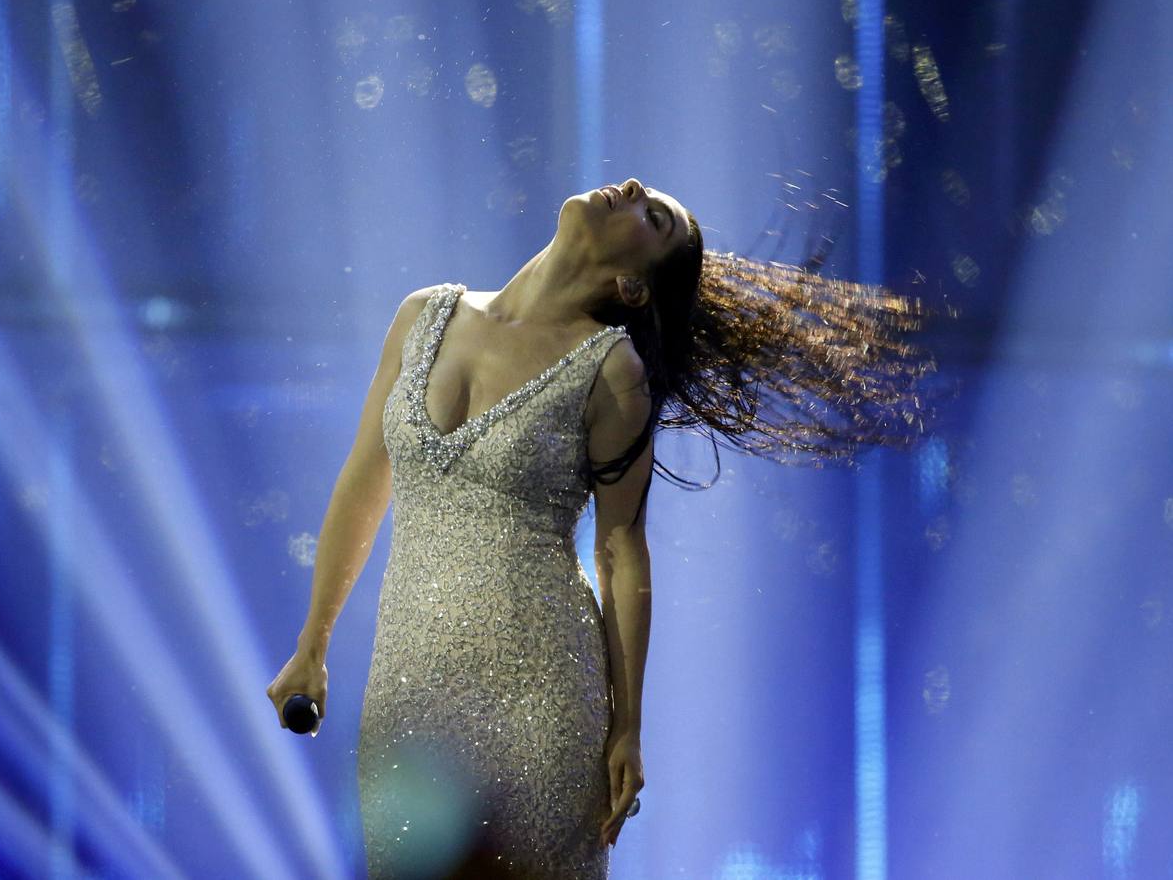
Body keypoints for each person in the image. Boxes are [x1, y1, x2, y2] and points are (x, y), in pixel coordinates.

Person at [266, 178, 938, 879]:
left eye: (655, 218)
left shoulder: (613, 373)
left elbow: (622, 550)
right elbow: (361, 487)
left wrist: (627, 726)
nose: (634, 188)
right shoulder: (422, 314)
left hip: (540, 693)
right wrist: (313, 644)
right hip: (408, 689)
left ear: (633, 286)